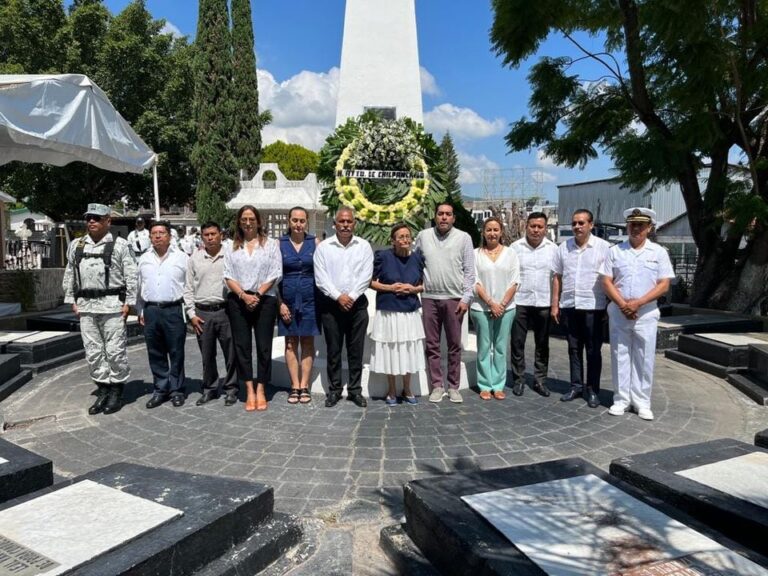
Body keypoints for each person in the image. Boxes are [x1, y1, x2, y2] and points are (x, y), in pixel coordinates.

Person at [62, 203, 137, 415]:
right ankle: (102, 388)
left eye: (97, 218)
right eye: (89, 218)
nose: (92, 221)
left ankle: (116, 390)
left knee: (115, 351)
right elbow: (70, 273)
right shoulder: (76, 245)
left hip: (112, 306)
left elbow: (131, 275)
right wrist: (71, 300)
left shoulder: (121, 245)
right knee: (93, 351)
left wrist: (128, 304)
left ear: (108, 221)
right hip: (86, 306)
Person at [602, 208, 674, 421]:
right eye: (632, 224)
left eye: (641, 225)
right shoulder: (615, 251)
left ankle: (642, 401)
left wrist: (638, 304)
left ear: (649, 228)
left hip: (646, 313)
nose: (636, 229)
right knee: (619, 355)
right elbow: (606, 281)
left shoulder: (658, 253)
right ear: (627, 226)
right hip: (619, 310)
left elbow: (664, 285)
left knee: (644, 357)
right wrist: (624, 304)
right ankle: (621, 399)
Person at [415, 202, 475, 403]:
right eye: (440, 214)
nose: (444, 218)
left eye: (448, 214)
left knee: (454, 345)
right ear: (435, 216)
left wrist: (466, 298)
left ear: (453, 218)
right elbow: (416, 263)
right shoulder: (423, 236)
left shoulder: (464, 238)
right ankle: (437, 386)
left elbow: (469, 270)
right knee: (432, 345)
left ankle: (454, 386)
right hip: (430, 298)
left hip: (454, 299)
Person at [314, 207, 373, 408]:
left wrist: (352, 296)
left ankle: (355, 391)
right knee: (333, 350)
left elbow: (367, 275)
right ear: (335, 224)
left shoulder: (364, 246)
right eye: (342, 221)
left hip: (357, 306)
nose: (345, 225)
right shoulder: (324, 247)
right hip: (331, 306)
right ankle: (334, 390)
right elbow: (320, 277)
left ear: (354, 224)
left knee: (356, 350)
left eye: (349, 222)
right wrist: (338, 296)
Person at [551, 208, 611, 408]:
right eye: (574, 223)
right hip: (569, 305)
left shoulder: (604, 248)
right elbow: (557, 277)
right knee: (573, 348)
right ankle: (576, 386)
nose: (577, 226)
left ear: (591, 225)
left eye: (581, 223)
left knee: (594, 350)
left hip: (594, 306)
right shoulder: (563, 247)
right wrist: (555, 304)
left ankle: (593, 389)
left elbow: (610, 279)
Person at [224, 205, 282, 412]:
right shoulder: (230, 246)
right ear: (239, 222)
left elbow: (275, 273)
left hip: (264, 300)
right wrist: (243, 295)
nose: (248, 223)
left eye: (251, 219)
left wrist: (256, 295)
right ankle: (248, 388)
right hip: (238, 300)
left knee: (264, 346)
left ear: (258, 221)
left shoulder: (271, 244)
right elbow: (228, 275)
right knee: (242, 346)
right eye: (244, 219)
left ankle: (261, 388)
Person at [183, 221, 238, 407]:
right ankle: (210, 388)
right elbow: (188, 288)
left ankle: (231, 388)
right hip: (202, 313)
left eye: (213, 234)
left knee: (230, 353)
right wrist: (191, 314)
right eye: (206, 235)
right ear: (201, 236)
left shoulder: (230, 255)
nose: (210, 238)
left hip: (225, 311)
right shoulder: (194, 259)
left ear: (220, 234)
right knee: (207, 355)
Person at [370, 223, 425, 405]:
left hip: (409, 311)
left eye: (407, 236)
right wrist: (389, 287)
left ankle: (407, 388)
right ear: (393, 240)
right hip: (389, 311)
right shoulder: (383, 257)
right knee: (391, 350)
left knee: (409, 349)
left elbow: (425, 284)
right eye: (400, 237)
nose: (405, 240)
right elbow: (371, 282)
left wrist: (413, 289)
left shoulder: (417, 258)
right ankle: (392, 389)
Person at [137, 221, 189, 408]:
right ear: (150, 237)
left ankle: (176, 389)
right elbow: (138, 286)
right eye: (154, 233)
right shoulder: (143, 259)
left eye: (161, 233)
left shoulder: (182, 258)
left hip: (174, 310)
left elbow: (189, 286)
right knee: (155, 352)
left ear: (169, 236)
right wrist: (140, 310)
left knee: (176, 351)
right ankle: (160, 389)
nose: (157, 236)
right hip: (151, 310)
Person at [470, 217, 519, 400]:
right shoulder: (475, 254)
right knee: (483, 348)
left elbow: (515, 281)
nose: (492, 233)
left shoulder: (511, 253)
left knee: (499, 347)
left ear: (501, 232)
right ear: (483, 232)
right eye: (488, 230)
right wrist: (491, 303)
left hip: (506, 309)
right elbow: (474, 281)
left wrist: (502, 305)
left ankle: (498, 385)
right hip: (481, 308)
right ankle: (484, 384)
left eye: (495, 230)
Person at [510, 212, 558, 397]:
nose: (536, 230)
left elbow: (556, 278)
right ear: (526, 226)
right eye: (532, 226)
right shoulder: (515, 248)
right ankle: (519, 380)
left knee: (542, 344)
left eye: (540, 227)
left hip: (543, 303)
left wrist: (555, 304)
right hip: (520, 301)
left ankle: (540, 380)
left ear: (546, 228)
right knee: (517, 343)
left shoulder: (553, 249)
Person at [278, 207, 321, 405]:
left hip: (310, 300)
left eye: (302, 220)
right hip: (287, 301)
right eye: (294, 220)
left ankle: (305, 385)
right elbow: (274, 276)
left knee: (308, 342)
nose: (298, 224)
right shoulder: (280, 244)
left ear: (306, 223)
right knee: (290, 343)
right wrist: (280, 303)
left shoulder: (315, 243)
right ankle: (294, 385)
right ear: (289, 221)